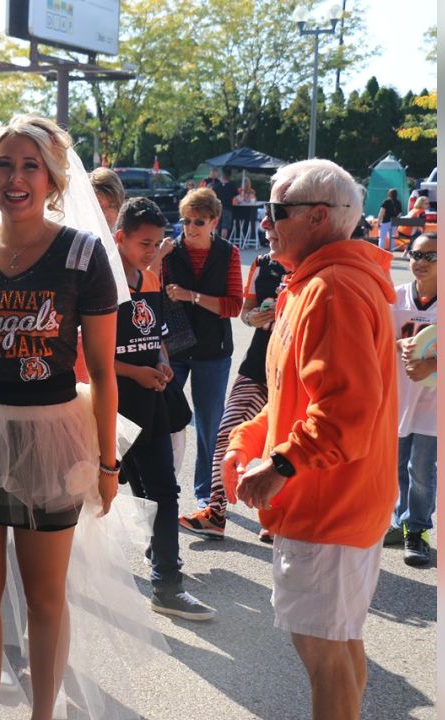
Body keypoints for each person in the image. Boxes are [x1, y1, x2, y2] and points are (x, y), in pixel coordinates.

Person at [0, 114, 160, 720]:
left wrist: (108, 463)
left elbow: (103, 373)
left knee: (47, 597)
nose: (15, 177)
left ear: (53, 181)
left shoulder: (82, 254)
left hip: (53, 437)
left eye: (30, 166)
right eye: (5, 164)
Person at [225, 158, 398, 720]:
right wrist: (249, 440)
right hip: (336, 498)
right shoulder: (317, 283)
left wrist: (280, 462)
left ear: (318, 217)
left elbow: (347, 410)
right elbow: (292, 393)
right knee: (339, 645)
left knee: (324, 652)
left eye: (276, 211)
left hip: (329, 502)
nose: (265, 223)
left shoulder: (333, 288)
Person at [111, 197, 216, 620]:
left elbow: (154, 336)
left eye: (157, 243)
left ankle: (167, 584)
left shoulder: (151, 280)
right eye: (143, 243)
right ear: (119, 238)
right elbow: (89, 353)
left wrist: (162, 363)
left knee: (164, 492)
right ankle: (56, 576)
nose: (152, 251)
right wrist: (132, 374)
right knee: (87, 495)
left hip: (149, 402)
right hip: (107, 405)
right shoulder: (101, 280)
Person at [179, 250, 287, 542]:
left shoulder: (315, 266)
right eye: (268, 219)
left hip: (294, 372)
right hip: (257, 366)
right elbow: (246, 313)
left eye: (277, 217)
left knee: (285, 443)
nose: (267, 226)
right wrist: (255, 317)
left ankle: (280, 517)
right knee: (227, 432)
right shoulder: (263, 263)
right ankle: (215, 512)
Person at [161, 187, 243, 507]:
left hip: (213, 350)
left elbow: (233, 306)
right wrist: (158, 256)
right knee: (164, 419)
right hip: (175, 347)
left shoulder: (229, 253)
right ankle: (162, 490)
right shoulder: (170, 251)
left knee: (210, 426)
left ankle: (206, 495)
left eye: (198, 221)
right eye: (185, 221)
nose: (191, 228)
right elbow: (145, 285)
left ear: (214, 221)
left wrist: (190, 295)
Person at [383, 232, 437, 566]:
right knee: (395, 467)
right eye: (415, 255)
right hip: (398, 399)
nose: (420, 263)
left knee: (421, 468)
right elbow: (375, 343)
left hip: (434, 403)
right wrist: (396, 346)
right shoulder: (396, 298)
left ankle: (417, 530)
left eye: (430, 257)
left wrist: (434, 362)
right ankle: (399, 521)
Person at [211, 169, 239, 240]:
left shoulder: (215, 186)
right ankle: (223, 242)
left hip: (217, 208)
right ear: (229, 176)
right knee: (225, 227)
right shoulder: (232, 186)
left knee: (216, 225)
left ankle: (215, 241)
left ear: (222, 176)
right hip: (227, 208)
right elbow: (238, 198)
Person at [376, 188, 401, 252]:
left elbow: (381, 212)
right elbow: (400, 214)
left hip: (385, 221)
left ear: (389, 194)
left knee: (382, 238)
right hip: (394, 221)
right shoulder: (398, 202)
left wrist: (378, 221)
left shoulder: (386, 201)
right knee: (392, 238)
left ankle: (380, 251)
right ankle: (391, 250)